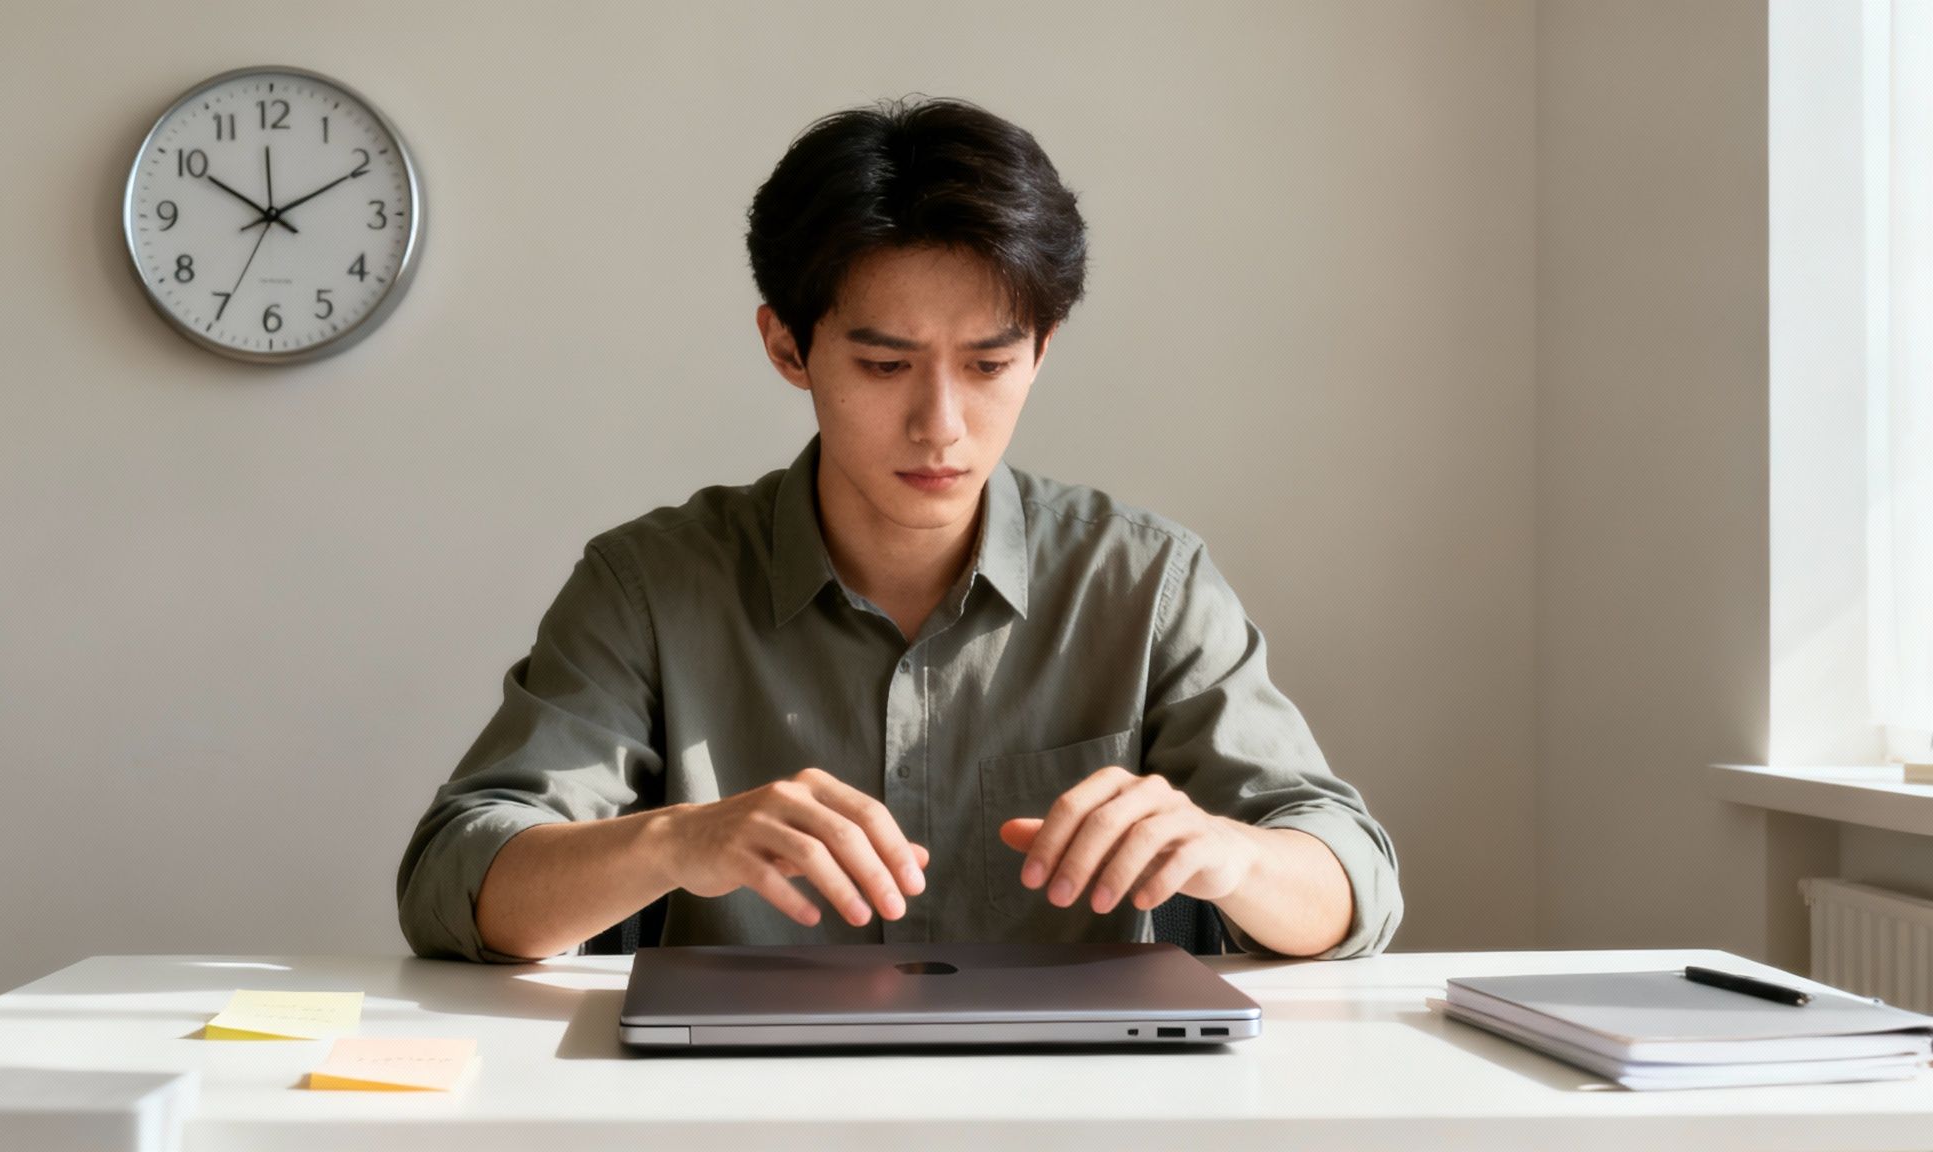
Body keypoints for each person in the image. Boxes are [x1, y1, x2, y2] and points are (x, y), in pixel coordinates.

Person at [397, 96, 1401, 964]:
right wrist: (675, 842)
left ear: (1041, 350)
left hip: (1074, 1110)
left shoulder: (1144, 580)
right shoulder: (650, 584)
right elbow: (453, 877)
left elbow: (1350, 879)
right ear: (788, 347)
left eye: (988, 364)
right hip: (743, 1113)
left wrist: (1234, 855)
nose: (940, 425)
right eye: (884, 366)